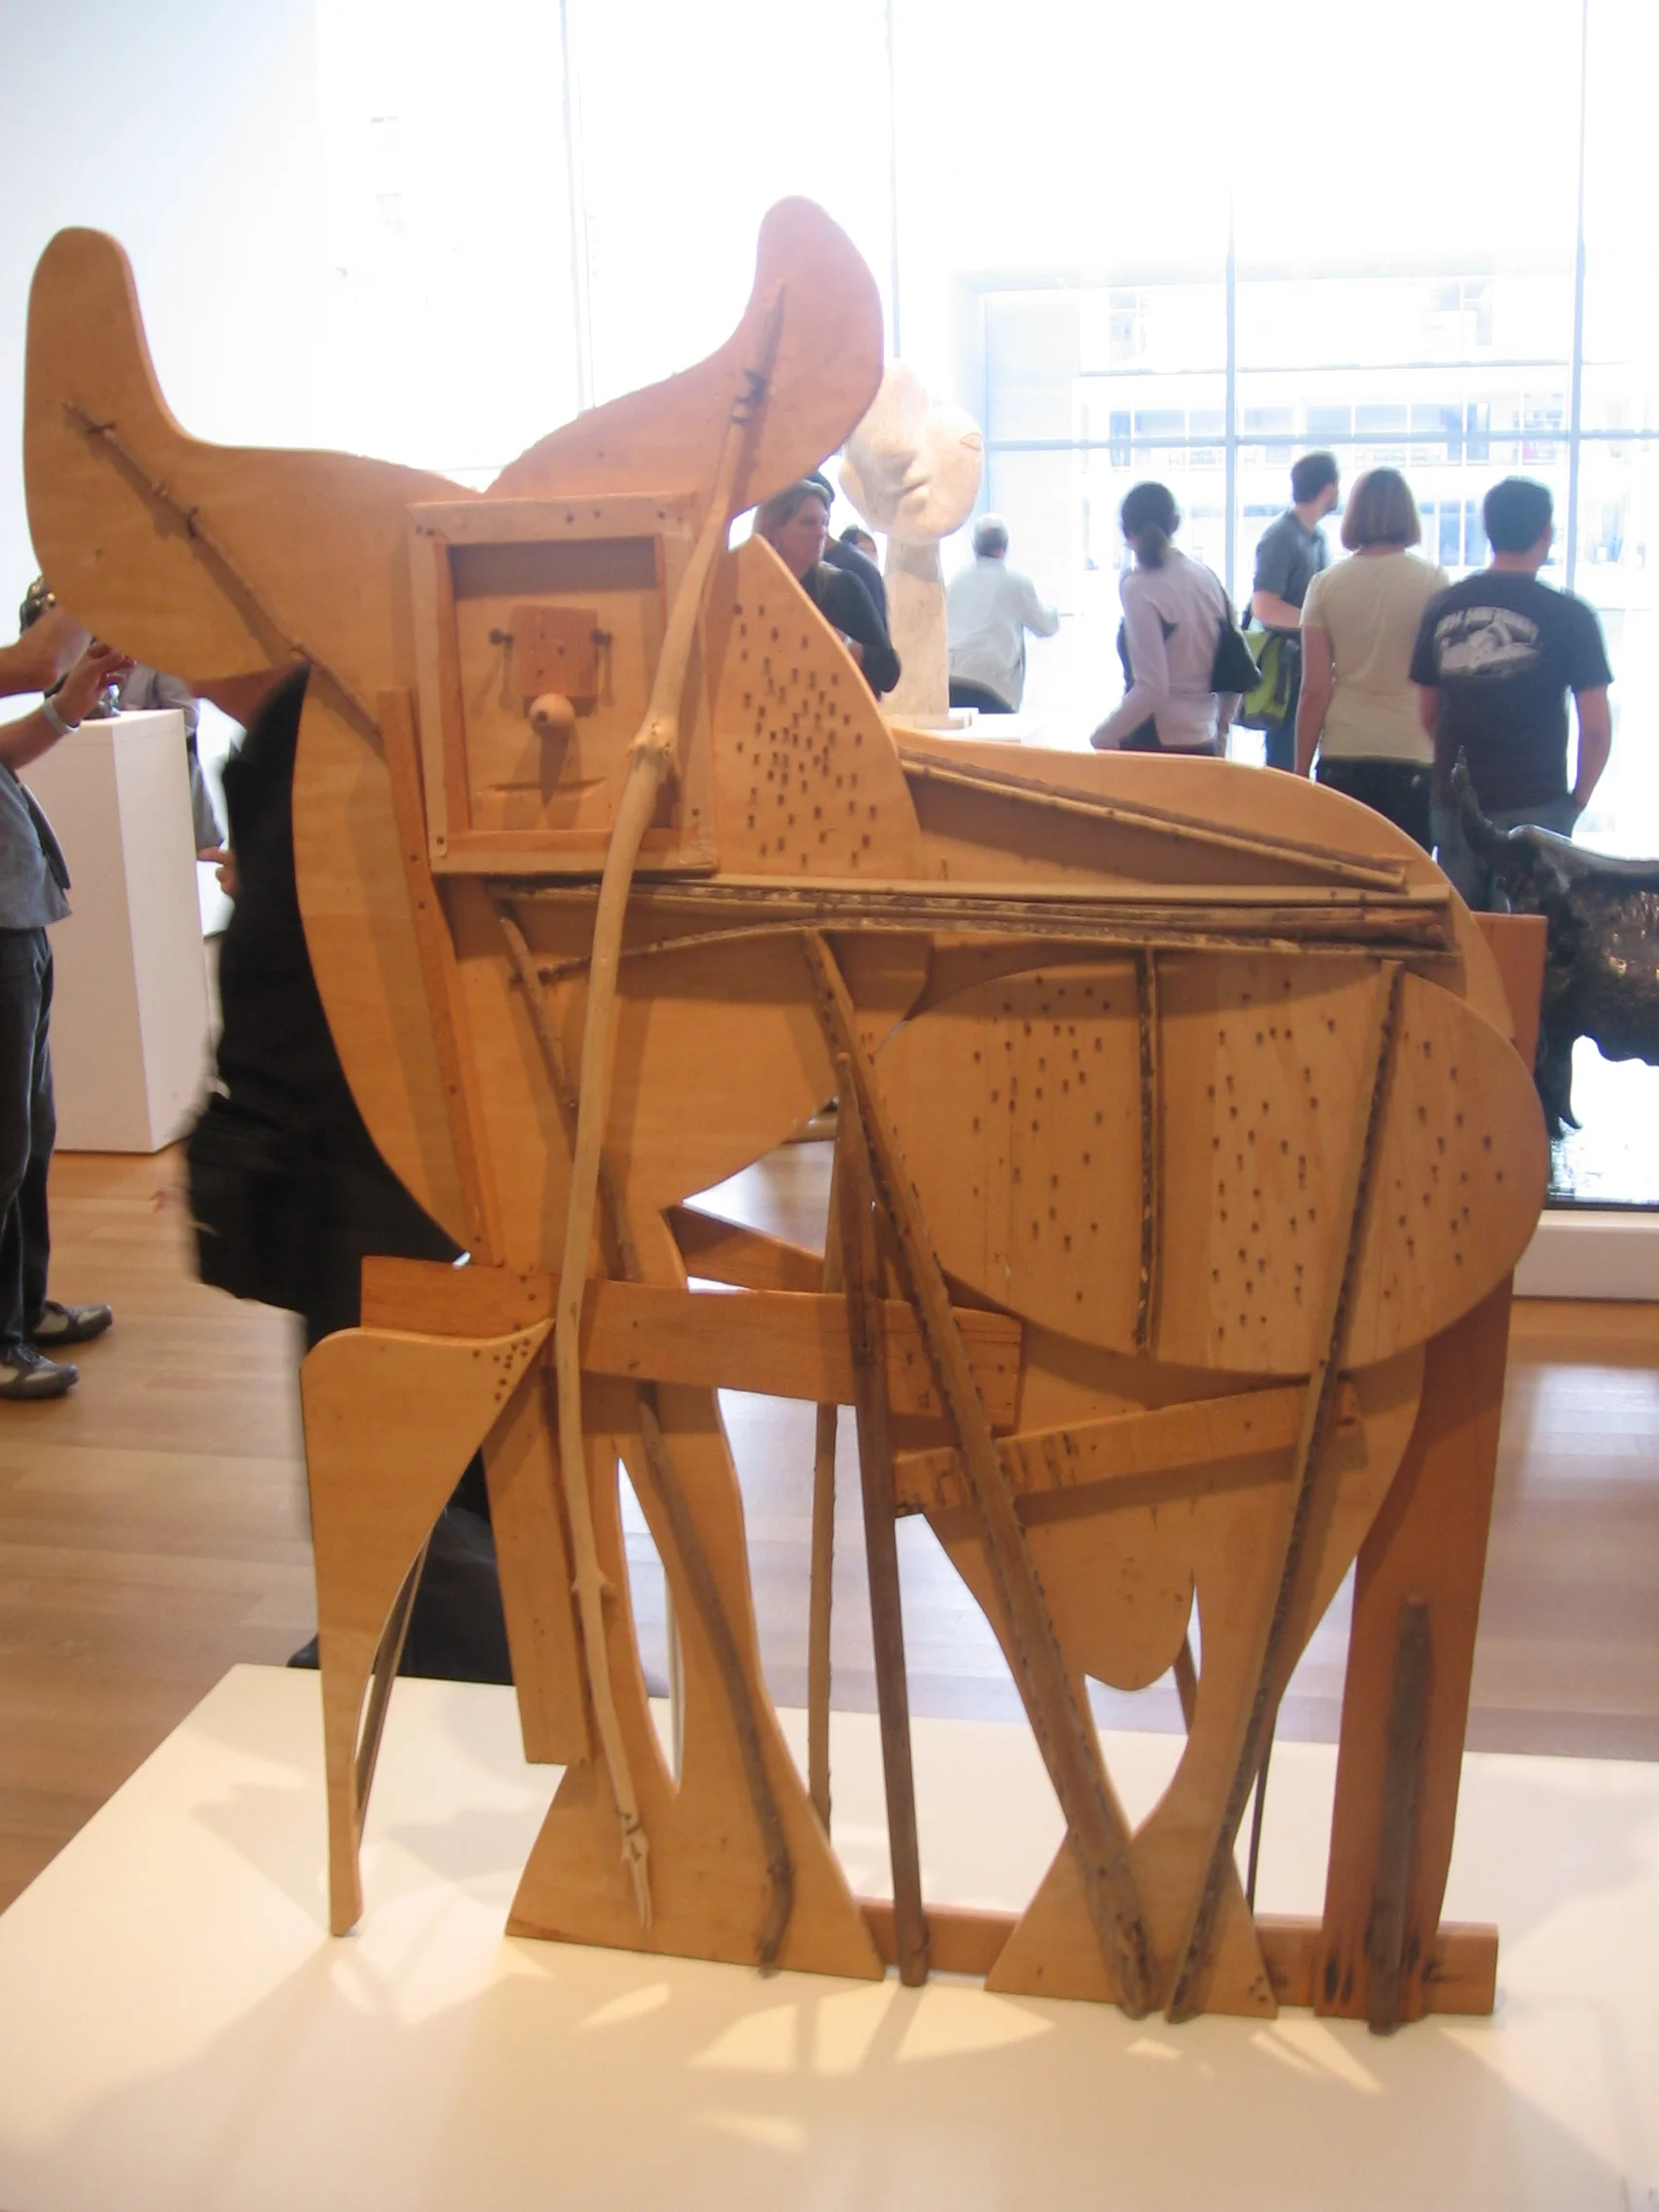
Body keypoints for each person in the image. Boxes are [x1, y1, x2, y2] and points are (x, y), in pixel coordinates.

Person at [200, 663, 512, 1679]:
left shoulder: (317, 714)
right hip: (384, 1119)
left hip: (358, 1125)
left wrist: (263, 1114)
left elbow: (285, 954)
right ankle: (415, 1618)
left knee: (370, 1406)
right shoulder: (321, 709)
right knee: (405, 1392)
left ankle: (448, 1636)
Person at [0, 630, 130, 1400]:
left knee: (29, 1131)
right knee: (4, 1139)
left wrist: (67, 706)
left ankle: (20, 1311)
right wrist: (95, 579)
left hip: (18, 915)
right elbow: (35, 661)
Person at [1411, 477, 1613, 911]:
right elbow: (1596, 727)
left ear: (1488, 531)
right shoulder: (1571, 616)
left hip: (1456, 800)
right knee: (1527, 939)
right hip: (1537, 801)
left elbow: (1428, 713)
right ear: (1547, 532)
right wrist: (1577, 801)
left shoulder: (1443, 606)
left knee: (1460, 934)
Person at [1293, 468, 1447, 849]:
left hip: (1345, 751)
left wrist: (1299, 772)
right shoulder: (1433, 582)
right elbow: (1442, 683)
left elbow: (1314, 690)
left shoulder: (1325, 585)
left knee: (1344, 876)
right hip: (1413, 751)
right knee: (1409, 875)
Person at [1089, 482, 1237, 755]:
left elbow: (1152, 688)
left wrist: (1103, 736)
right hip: (1203, 737)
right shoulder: (1207, 578)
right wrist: (1221, 735)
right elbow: (1236, 669)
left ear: (1125, 531)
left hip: (1155, 738)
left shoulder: (1138, 586)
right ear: (1176, 523)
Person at [753, 479, 902, 696]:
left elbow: (888, 673)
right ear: (772, 531)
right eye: (808, 523)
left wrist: (845, 644)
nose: (821, 532)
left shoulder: (843, 586)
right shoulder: (745, 589)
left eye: (824, 522)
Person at [1251, 452, 1341, 770]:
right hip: (1286, 674)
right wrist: (1315, 626)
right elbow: (1264, 606)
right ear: (1328, 488)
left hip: (1309, 667)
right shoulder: (1281, 537)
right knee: (1284, 764)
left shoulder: (1318, 539)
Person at [946, 513, 1059, 714]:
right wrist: (1054, 608)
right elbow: (1046, 626)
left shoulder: (955, 580)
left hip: (951, 681)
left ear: (974, 547)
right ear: (1004, 547)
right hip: (993, 685)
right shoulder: (1016, 582)